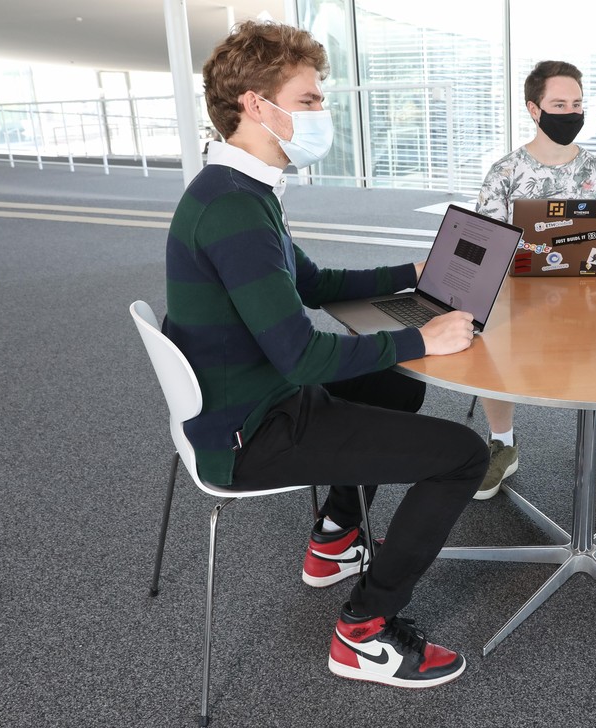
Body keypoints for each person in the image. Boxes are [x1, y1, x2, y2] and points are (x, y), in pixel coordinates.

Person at [164, 20, 489, 689]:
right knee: (462, 456)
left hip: (243, 399)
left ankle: (335, 538)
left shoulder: (244, 191)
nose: (322, 114)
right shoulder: (232, 211)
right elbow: (303, 360)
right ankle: (364, 631)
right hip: (252, 431)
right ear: (256, 105)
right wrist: (422, 338)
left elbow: (313, 285)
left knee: (396, 388)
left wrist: (415, 273)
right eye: (309, 100)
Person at [472, 60, 596, 501]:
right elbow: (488, 246)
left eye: (577, 104)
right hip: (520, 289)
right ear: (534, 108)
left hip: (592, 288)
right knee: (489, 337)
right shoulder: (504, 173)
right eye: (559, 104)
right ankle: (502, 444)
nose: (571, 112)